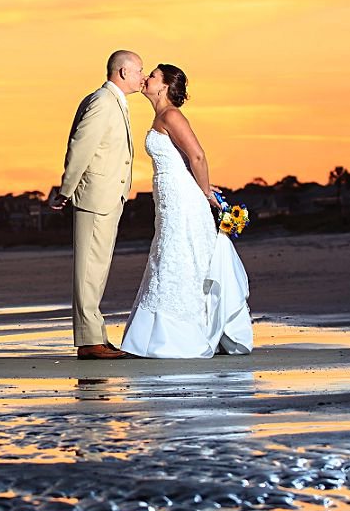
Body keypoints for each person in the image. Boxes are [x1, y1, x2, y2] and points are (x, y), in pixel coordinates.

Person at [120, 64, 253, 358]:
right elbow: (183, 160)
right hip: (169, 198)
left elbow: (198, 155)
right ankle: (160, 333)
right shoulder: (161, 116)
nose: (145, 79)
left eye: (152, 75)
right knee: (168, 254)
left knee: (174, 254)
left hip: (183, 199)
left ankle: (176, 335)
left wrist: (205, 192)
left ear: (165, 86)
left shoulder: (171, 115)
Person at [52, 50, 143, 360]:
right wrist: (66, 189)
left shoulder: (114, 101)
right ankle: (89, 341)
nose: (142, 77)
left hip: (108, 196)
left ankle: (96, 336)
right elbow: (81, 146)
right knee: (88, 271)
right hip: (94, 197)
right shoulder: (102, 102)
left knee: (97, 270)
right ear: (122, 72)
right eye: (138, 71)